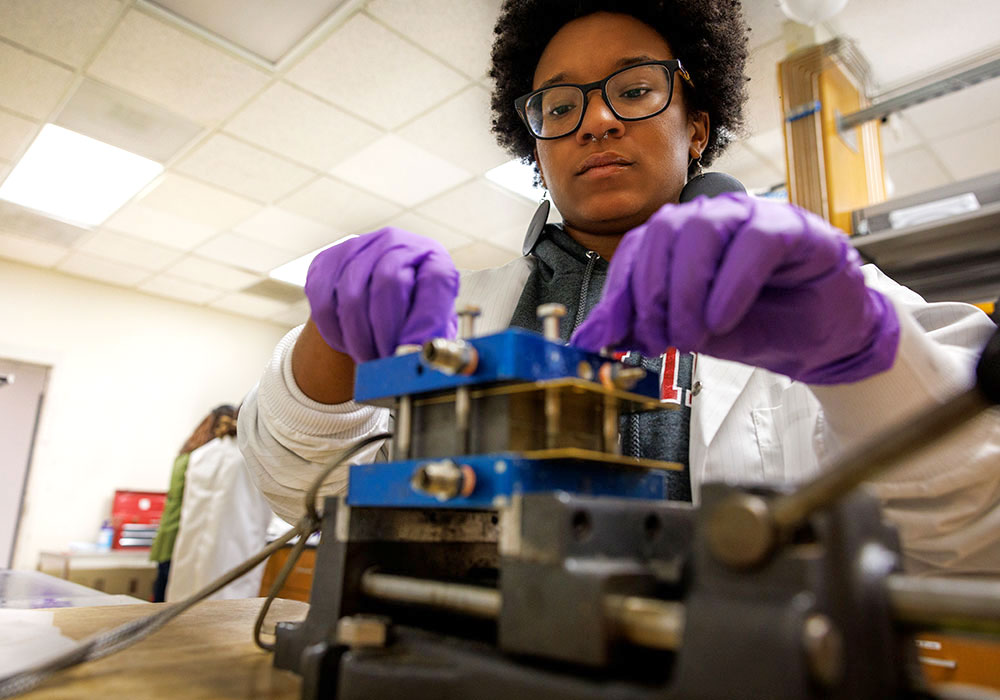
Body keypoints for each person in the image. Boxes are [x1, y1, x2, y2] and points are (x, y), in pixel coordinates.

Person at [238, 0, 999, 576]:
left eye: (634, 90)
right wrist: (326, 344)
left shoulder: (819, 295)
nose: (594, 121)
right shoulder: (460, 315)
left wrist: (862, 354)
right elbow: (300, 491)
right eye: (560, 107)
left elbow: (975, 523)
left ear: (696, 127)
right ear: (536, 148)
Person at [165, 406, 274, 602]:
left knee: (182, 612)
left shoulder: (203, 453)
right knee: (222, 613)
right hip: (231, 555)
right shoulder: (251, 458)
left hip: (192, 555)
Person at [149, 405, 233, 603]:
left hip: (169, 535)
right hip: (183, 537)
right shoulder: (203, 459)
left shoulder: (187, 454)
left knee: (162, 595)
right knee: (171, 601)